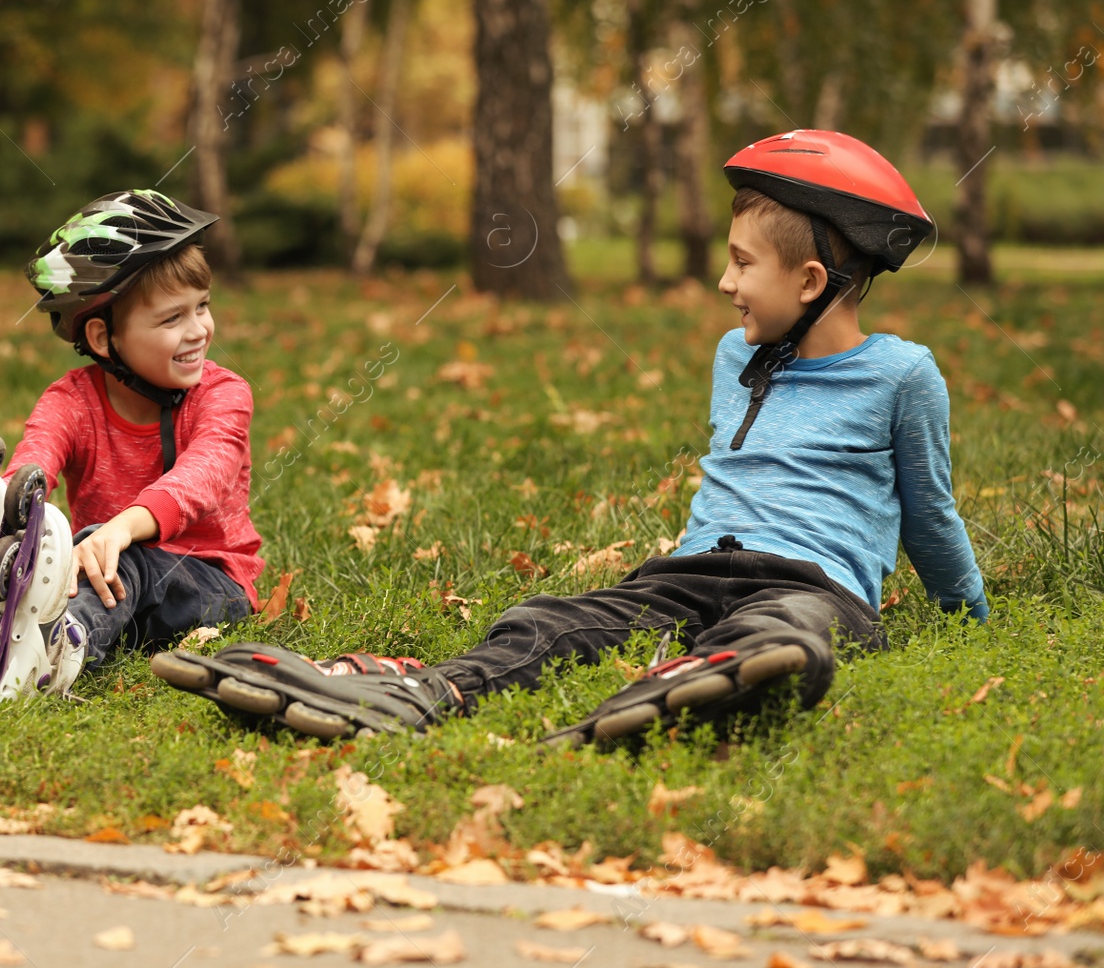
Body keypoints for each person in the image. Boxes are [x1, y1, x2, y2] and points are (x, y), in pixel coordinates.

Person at [152, 130, 988, 744]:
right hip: (692, 573)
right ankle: (415, 692)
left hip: (815, 582)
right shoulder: (735, 353)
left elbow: (931, 513)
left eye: (743, 264)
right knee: (552, 618)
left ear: (810, 282)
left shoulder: (904, 377)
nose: (725, 281)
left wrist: (968, 617)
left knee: (796, 622)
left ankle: (713, 676)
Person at [0, 190, 262, 701]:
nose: (199, 330)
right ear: (104, 339)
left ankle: (56, 650)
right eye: (173, 319)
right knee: (43, 554)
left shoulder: (223, 394)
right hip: (98, 568)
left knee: (108, 553)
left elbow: (205, 474)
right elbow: (33, 464)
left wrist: (121, 529)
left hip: (210, 581)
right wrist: (0, 516)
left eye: (202, 307)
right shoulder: (72, 401)